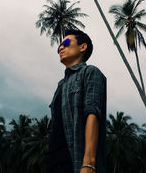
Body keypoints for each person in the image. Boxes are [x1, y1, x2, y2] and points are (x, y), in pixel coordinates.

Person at [45, 29, 107, 173]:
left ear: (82, 47)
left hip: (75, 161)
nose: (60, 47)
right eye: (59, 46)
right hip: (54, 161)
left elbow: (92, 113)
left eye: (66, 43)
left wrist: (89, 163)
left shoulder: (90, 72)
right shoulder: (61, 85)